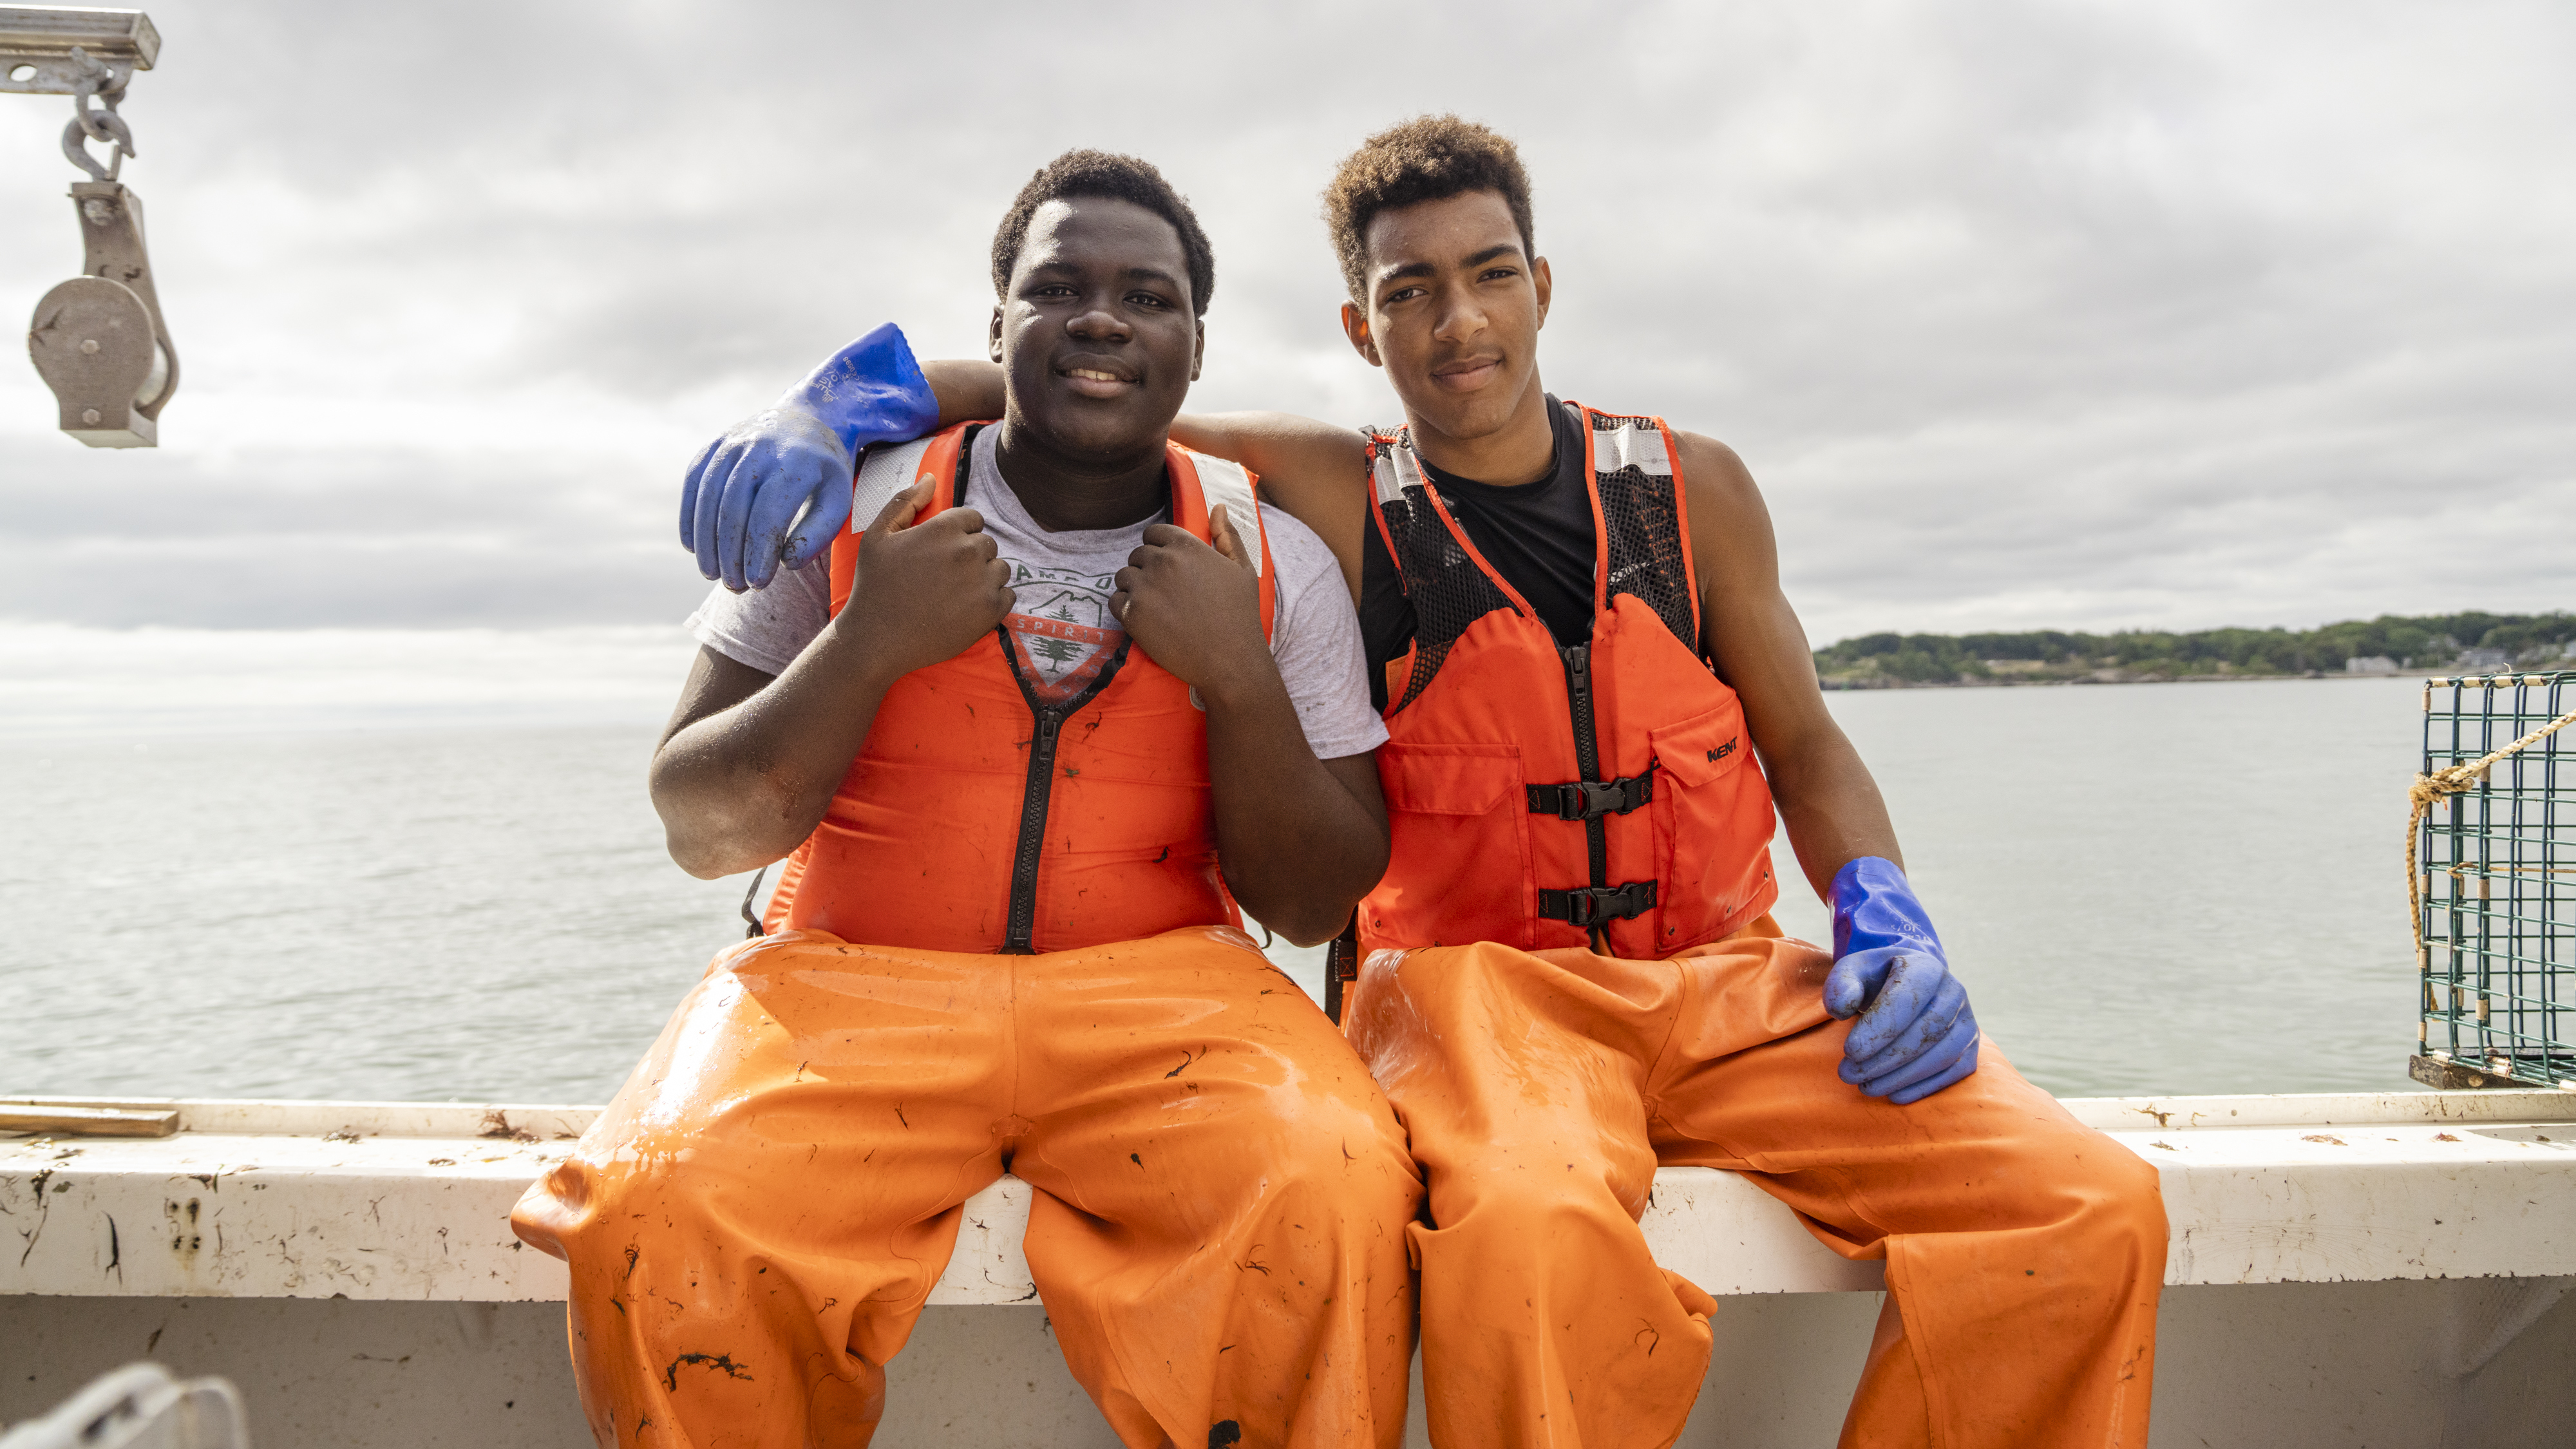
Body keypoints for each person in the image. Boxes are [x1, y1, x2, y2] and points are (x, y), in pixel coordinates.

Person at [685, 118, 2168, 1449]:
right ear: (1358, 324)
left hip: (1723, 983)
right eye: (1407, 292)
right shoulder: (1334, 487)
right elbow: (1075, 380)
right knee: (1524, 1238)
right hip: (1477, 1001)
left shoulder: (1689, 487)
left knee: (2082, 1202)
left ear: (1541, 285)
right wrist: (834, 402)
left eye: (1488, 273)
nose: (1456, 322)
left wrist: (1882, 910)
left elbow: (1805, 741)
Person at [515, 150, 1426, 1449]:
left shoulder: (1267, 553)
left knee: (1332, 1179)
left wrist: (1235, 672)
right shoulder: (855, 503)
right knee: (663, 1203)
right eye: (1057, 287)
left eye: (1149, 298)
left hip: (1163, 998)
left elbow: (1309, 896)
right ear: (994, 326)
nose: (1103, 317)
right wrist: (864, 642)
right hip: (843, 985)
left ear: (1195, 347)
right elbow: (700, 827)